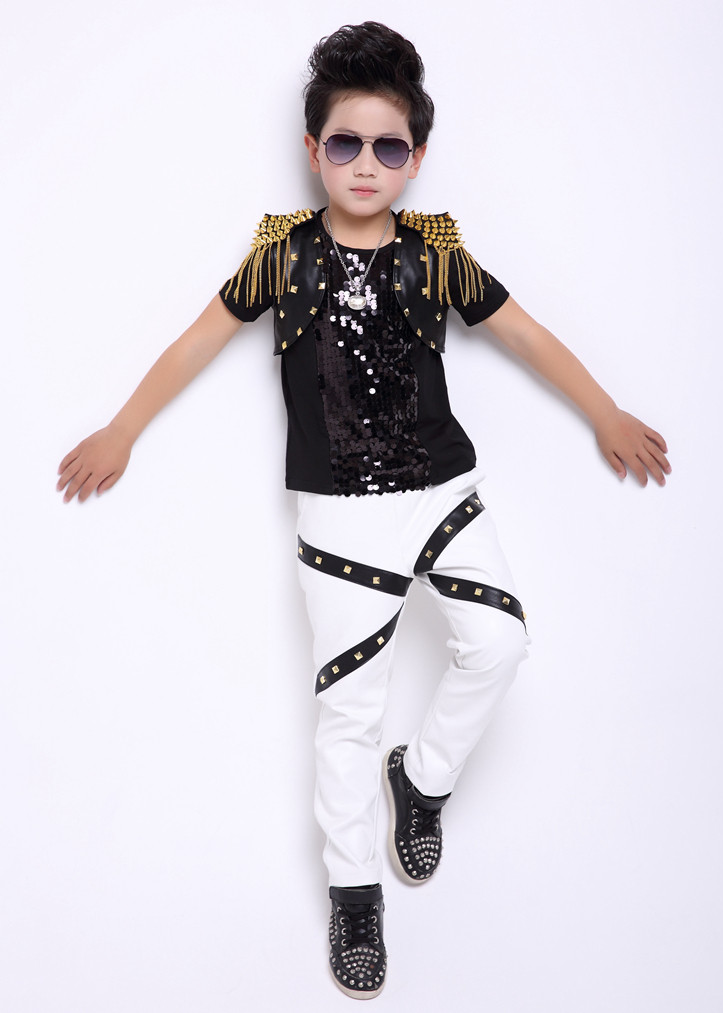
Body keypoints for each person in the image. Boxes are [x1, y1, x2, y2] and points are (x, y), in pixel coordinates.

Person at [56, 21, 670, 1001]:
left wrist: (605, 411)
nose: (367, 163)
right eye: (346, 142)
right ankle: (355, 894)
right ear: (314, 149)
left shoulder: (438, 252)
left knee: (501, 641)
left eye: (390, 145)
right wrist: (123, 428)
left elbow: (525, 333)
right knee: (348, 711)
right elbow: (195, 341)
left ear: (417, 156)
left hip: (443, 490)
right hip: (339, 515)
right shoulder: (280, 253)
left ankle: (421, 779)